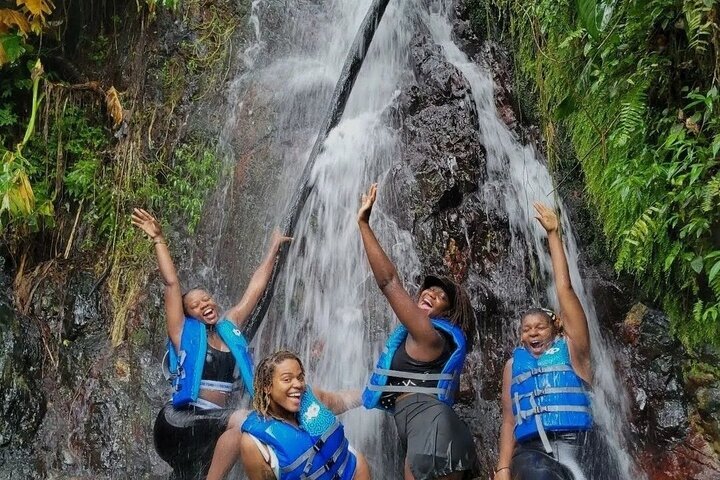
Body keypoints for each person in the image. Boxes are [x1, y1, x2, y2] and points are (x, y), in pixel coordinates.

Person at [131, 208, 291, 479]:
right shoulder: (182, 332)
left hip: (209, 430)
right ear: (188, 314)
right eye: (195, 304)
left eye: (207, 299)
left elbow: (255, 289)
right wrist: (159, 239)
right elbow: (171, 284)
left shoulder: (229, 327)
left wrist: (273, 248)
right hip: (177, 423)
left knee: (240, 430)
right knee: (243, 419)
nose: (204, 304)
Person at [357, 184, 477, 480]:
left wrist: (363, 224)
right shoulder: (426, 341)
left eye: (441, 296)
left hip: (433, 434)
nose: (431, 294)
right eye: (428, 290)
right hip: (429, 434)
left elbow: (388, 282)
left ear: (446, 314)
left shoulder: (430, 335)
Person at [494, 203, 593, 480]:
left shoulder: (574, 349)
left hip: (581, 447)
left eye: (540, 327)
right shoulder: (514, 365)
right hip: (532, 453)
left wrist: (553, 234)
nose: (533, 333)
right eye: (527, 329)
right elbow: (509, 420)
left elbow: (565, 288)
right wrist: (503, 467)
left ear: (556, 328)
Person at [225, 350, 372, 480]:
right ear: (267, 387)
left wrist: (371, 395)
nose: (298, 384)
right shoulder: (254, 443)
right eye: (287, 379)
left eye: (300, 377)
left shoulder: (311, 397)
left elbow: (341, 400)